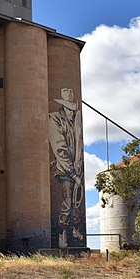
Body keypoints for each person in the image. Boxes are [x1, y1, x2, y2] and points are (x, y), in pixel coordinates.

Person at [48, 88, 84, 248]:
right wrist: (72, 172)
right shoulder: (55, 120)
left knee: (77, 203)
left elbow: (79, 146)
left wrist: (79, 171)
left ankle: (75, 229)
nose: (72, 113)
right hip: (64, 170)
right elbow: (60, 149)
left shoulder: (75, 121)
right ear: (63, 108)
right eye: (69, 109)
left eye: (73, 109)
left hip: (76, 170)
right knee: (68, 202)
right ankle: (62, 233)